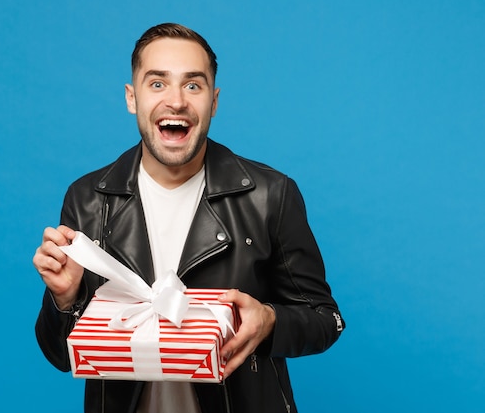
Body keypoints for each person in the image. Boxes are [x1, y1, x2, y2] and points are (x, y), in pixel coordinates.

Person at [33, 23, 345, 413]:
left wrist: (269, 322)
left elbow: (325, 320)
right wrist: (64, 300)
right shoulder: (88, 199)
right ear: (133, 98)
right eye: (158, 84)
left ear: (213, 102)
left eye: (193, 85)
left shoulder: (270, 195)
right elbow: (62, 357)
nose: (176, 101)